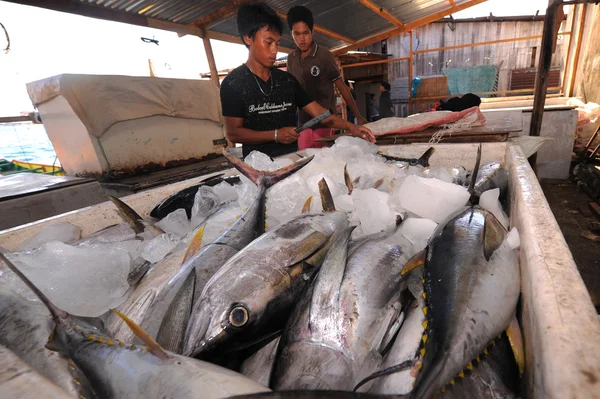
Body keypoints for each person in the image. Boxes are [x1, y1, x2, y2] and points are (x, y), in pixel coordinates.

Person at [220, 3, 374, 159]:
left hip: (293, 163)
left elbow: (320, 114)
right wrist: (274, 135)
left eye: (277, 43)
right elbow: (234, 133)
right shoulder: (233, 84)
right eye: (268, 42)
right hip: (257, 168)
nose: (274, 50)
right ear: (248, 38)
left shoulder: (287, 81)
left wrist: (351, 127)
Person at [285, 5, 368, 150]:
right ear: (291, 33)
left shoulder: (325, 56)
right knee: (307, 167)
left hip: (326, 123)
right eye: (296, 34)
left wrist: (358, 115)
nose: (302, 39)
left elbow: (342, 87)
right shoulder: (291, 59)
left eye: (305, 33)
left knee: (325, 165)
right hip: (303, 125)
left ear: (313, 31)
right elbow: (292, 93)